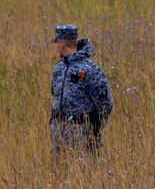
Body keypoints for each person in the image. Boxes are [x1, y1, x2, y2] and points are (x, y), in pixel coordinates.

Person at [48, 24, 113, 159]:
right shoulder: (59, 68)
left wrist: (95, 128)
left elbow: (105, 103)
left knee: (84, 173)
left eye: (58, 42)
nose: (57, 46)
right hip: (59, 131)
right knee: (58, 172)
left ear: (62, 44)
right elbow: (55, 93)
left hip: (82, 132)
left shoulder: (91, 69)